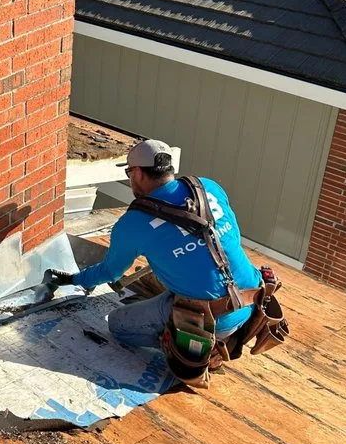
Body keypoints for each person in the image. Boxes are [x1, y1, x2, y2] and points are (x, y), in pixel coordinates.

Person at [47, 140, 287, 387]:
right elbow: (232, 235)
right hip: (254, 298)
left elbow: (111, 271)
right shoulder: (208, 187)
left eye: (129, 173)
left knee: (119, 325)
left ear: (138, 173)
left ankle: (203, 347)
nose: (130, 179)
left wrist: (75, 279)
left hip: (211, 319)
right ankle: (221, 331)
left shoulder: (134, 223)